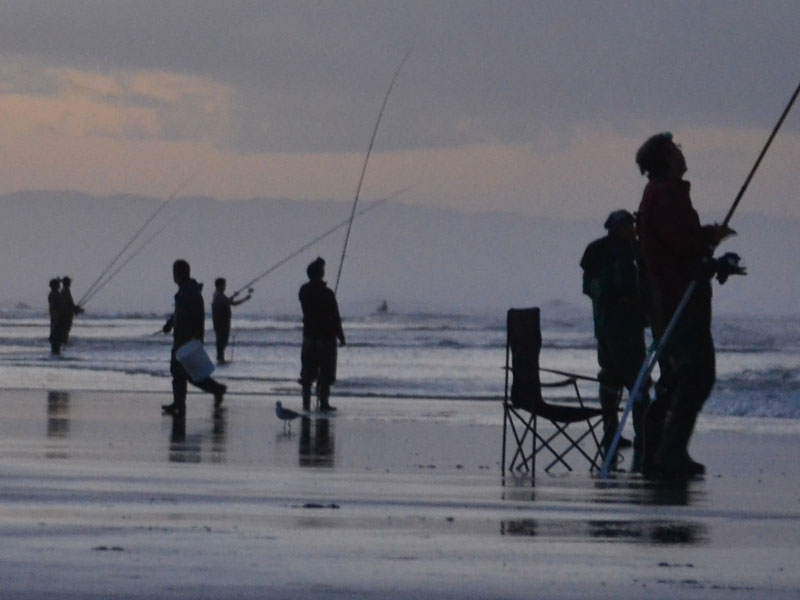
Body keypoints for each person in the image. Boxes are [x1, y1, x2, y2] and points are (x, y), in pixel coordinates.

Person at [635, 132, 739, 477]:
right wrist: (711, 239)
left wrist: (712, 260)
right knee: (696, 375)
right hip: (676, 299)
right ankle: (669, 451)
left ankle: (656, 449)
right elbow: (681, 245)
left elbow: (680, 246)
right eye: (674, 150)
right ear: (664, 160)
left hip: (675, 296)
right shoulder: (665, 195)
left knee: (679, 375)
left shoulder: (664, 194)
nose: (681, 153)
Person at [580, 209, 651, 469]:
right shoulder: (600, 252)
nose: (631, 229)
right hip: (613, 328)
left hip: (630, 326)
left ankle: (639, 433)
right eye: (628, 225)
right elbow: (592, 287)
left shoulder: (635, 251)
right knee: (619, 381)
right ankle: (613, 434)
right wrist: (617, 298)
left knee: (635, 383)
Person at [161, 259, 227, 416]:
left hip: (186, 339)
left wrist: (196, 338)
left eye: (175, 272)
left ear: (179, 273)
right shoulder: (186, 290)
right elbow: (179, 313)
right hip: (183, 338)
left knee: (188, 374)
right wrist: (170, 324)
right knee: (181, 373)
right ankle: (179, 403)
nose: (174, 275)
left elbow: (196, 316)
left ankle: (216, 389)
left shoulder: (189, 292)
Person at [298, 257, 346, 412]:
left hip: (309, 337)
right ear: (321, 273)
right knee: (325, 372)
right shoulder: (327, 293)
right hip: (326, 337)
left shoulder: (304, 291)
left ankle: (306, 404)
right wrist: (341, 336)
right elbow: (335, 316)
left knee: (307, 374)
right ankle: (323, 402)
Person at [211, 278, 252, 364]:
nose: (225, 286)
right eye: (224, 285)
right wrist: (241, 298)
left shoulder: (218, 295)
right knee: (222, 341)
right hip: (221, 323)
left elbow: (230, 302)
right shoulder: (218, 295)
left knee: (222, 341)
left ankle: (220, 358)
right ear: (219, 285)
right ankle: (220, 358)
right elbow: (230, 302)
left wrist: (237, 297)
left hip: (222, 322)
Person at [59, 276, 84, 345]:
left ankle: (63, 343)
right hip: (66, 316)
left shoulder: (64, 290)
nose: (70, 283)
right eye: (69, 282)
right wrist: (77, 309)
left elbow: (68, 304)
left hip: (65, 315)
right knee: (65, 331)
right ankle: (64, 343)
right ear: (67, 283)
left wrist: (76, 309)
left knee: (64, 331)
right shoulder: (66, 291)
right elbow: (68, 304)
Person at [47, 278, 66, 355]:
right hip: (57, 319)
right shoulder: (54, 295)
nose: (59, 285)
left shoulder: (55, 294)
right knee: (56, 339)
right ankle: (55, 353)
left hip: (57, 319)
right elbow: (57, 308)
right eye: (58, 284)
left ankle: (56, 352)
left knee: (57, 339)